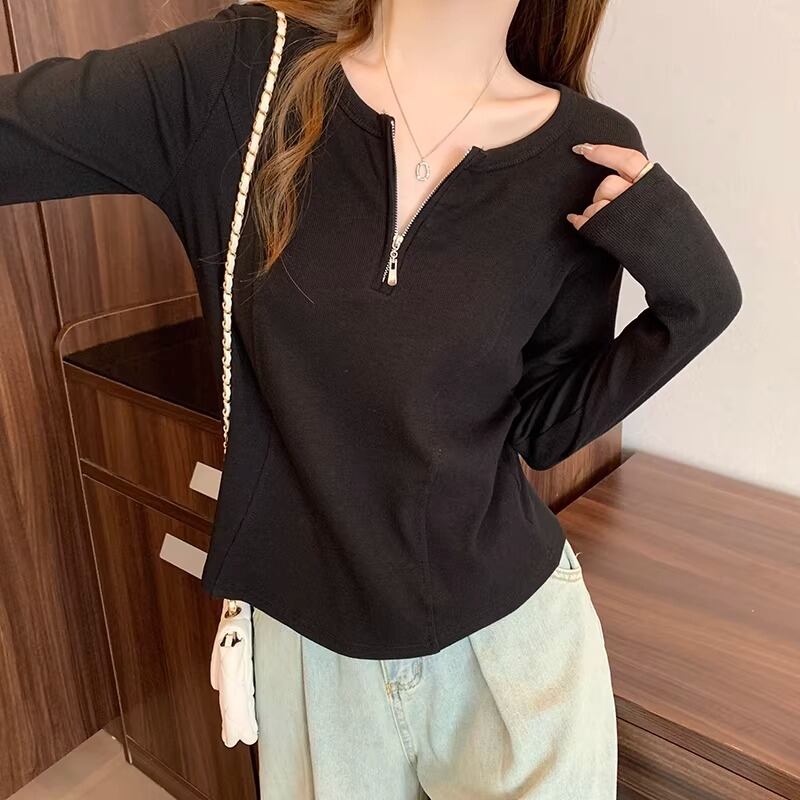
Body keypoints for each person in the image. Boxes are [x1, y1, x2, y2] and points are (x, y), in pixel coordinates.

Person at [0, 1, 742, 797]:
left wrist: (698, 296)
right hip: (315, 665)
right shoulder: (244, 77)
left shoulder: (584, 148)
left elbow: (544, 429)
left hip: (515, 656)